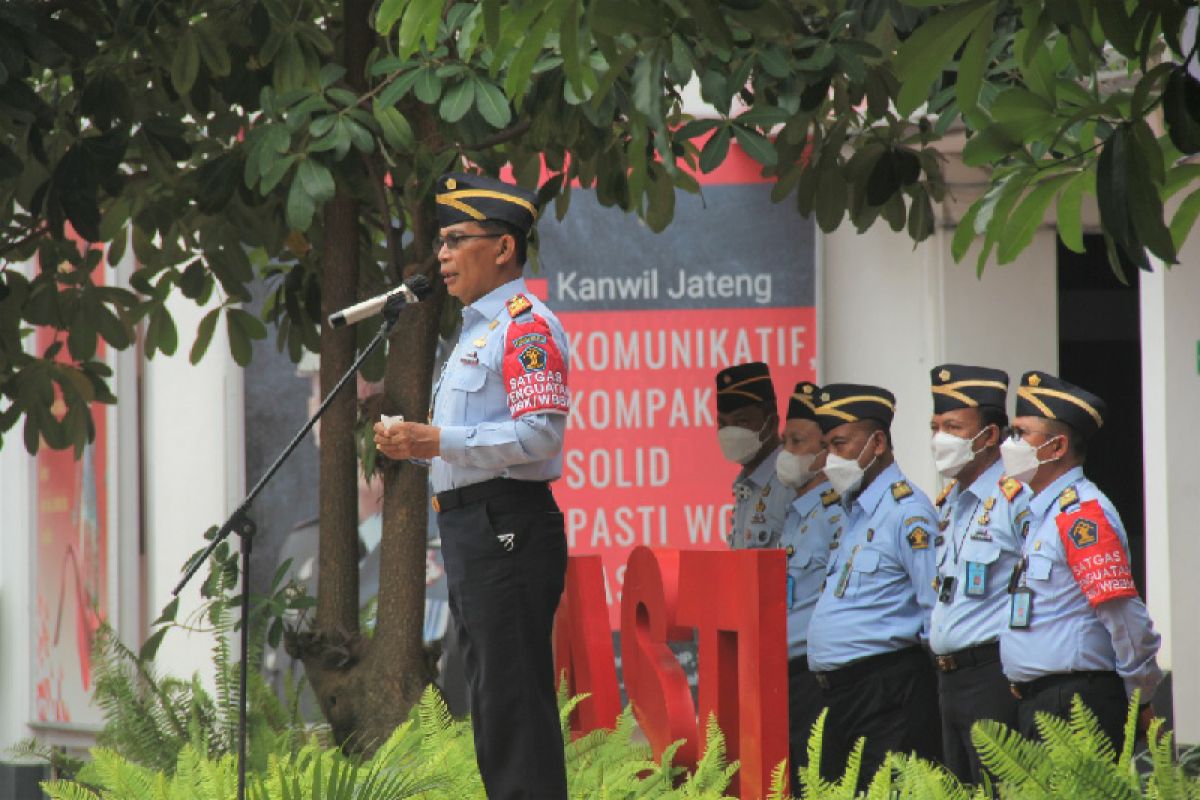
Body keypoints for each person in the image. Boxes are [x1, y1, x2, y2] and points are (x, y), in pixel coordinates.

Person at [374, 172, 570, 800]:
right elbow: (467, 441)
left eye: (458, 239)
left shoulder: (525, 326)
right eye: (441, 242)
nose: (443, 255)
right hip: (471, 526)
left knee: (514, 709)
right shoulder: (475, 330)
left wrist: (436, 441)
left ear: (504, 248)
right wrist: (416, 445)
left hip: (507, 524)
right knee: (492, 706)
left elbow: (540, 436)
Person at [999, 371, 1162, 749]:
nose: (1011, 443)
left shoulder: (1082, 516)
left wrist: (1142, 695)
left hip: (1075, 705)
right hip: (1040, 702)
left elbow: (1124, 616)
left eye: (1022, 434)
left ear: (1056, 447)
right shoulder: (1043, 512)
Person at [805, 383, 941, 786]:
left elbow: (934, 606)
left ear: (877, 442)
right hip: (840, 695)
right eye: (827, 446)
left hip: (887, 692)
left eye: (841, 444)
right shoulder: (858, 512)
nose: (831, 458)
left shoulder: (908, 512)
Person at [927, 364, 1025, 784]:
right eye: (934, 427)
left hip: (993, 676)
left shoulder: (1015, 496)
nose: (938, 439)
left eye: (952, 427)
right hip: (949, 681)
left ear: (987, 436)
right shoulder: (951, 500)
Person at [775, 381, 840, 788]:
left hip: (815, 677)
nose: (787, 453)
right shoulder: (795, 514)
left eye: (797, 442)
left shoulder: (837, 515)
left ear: (825, 453)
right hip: (785, 675)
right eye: (785, 441)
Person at [715, 361, 789, 549]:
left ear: (771, 424)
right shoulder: (745, 485)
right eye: (723, 424)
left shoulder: (790, 483)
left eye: (741, 422)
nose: (729, 432)